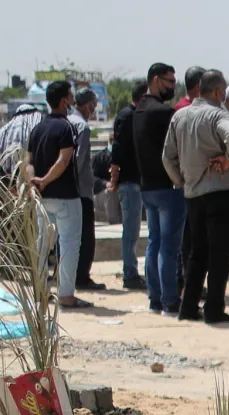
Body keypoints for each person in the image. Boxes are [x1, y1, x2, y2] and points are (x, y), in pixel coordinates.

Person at [163, 69, 229, 323]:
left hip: (193, 193)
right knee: (220, 254)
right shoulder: (218, 114)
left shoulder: (180, 116)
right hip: (220, 192)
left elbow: (167, 157)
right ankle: (214, 309)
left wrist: (181, 181)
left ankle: (188, 308)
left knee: (196, 253)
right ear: (219, 91)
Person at [27, 80, 91, 309]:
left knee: (42, 244)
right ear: (64, 100)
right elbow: (64, 160)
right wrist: (45, 180)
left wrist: (35, 182)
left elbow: (29, 162)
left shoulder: (38, 128)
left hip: (43, 198)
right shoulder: (66, 128)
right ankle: (66, 294)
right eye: (71, 96)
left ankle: (41, 291)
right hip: (65, 196)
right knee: (70, 244)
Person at [133, 63, 185, 315]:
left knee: (154, 243)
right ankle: (170, 300)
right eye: (170, 81)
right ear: (155, 80)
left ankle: (155, 298)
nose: (173, 87)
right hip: (167, 186)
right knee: (169, 247)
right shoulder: (164, 113)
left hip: (147, 186)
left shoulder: (138, 110)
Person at [0, 101, 45, 280]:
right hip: (17, 185)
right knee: (24, 227)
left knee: (5, 227)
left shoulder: (2, 131)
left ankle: (9, 266)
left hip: (1, 185)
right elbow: (18, 156)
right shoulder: (31, 126)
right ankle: (28, 266)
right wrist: (20, 186)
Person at [108, 83, 148, 288]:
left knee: (133, 231)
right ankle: (129, 274)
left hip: (135, 181)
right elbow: (117, 150)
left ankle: (131, 271)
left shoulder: (133, 115)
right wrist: (114, 179)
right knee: (131, 231)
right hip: (129, 181)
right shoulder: (128, 116)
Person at [68, 89, 104, 292]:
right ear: (85, 105)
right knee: (86, 236)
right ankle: (82, 276)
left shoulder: (68, 121)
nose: (94, 109)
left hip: (68, 190)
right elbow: (80, 161)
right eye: (93, 105)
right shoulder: (82, 126)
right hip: (81, 189)